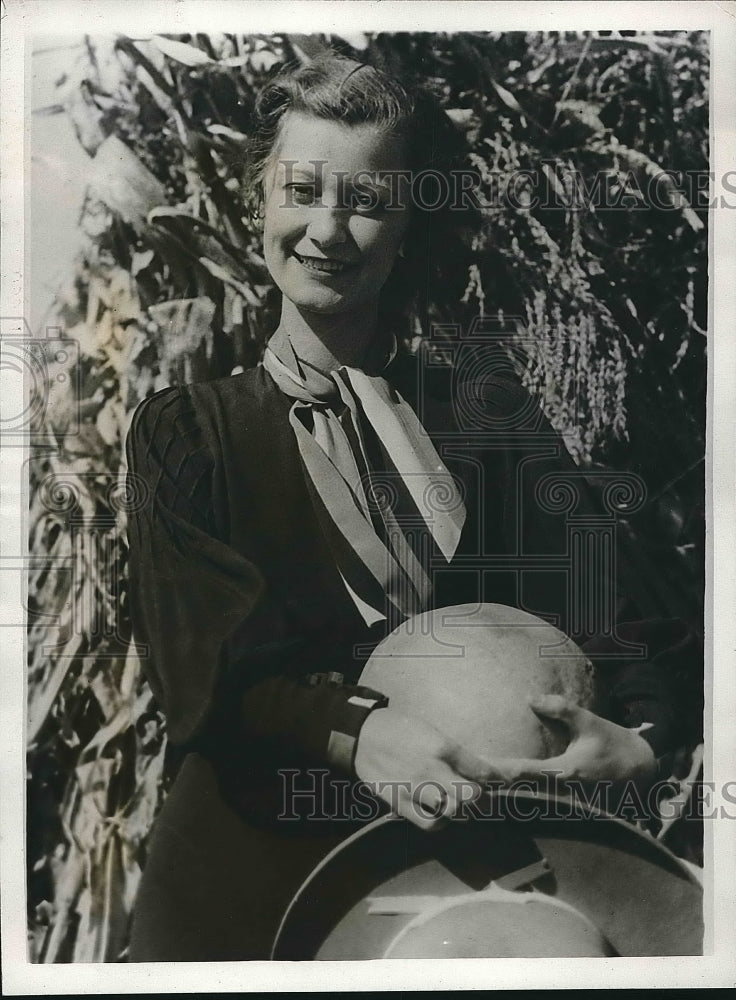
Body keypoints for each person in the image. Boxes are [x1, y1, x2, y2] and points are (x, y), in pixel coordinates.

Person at [125, 54, 694, 961]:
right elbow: (204, 672)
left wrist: (640, 740)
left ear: (408, 223)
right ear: (258, 202)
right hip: (259, 896)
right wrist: (357, 733)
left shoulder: (487, 414)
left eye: (369, 200)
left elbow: (627, 622)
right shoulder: (189, 435)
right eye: (302, 190)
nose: (327, 229)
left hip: (498, 889)